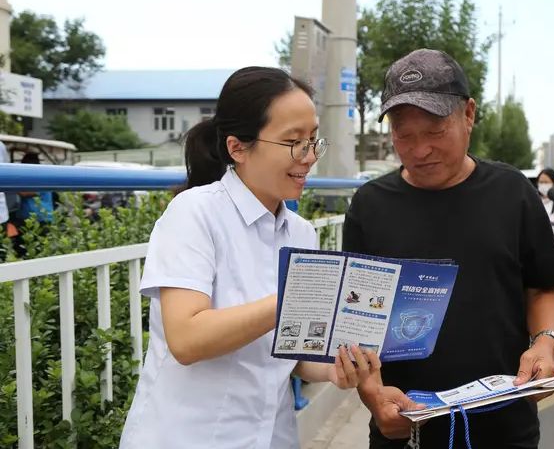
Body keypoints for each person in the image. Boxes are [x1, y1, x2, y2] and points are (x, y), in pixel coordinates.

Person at [119, 67, 379, 449]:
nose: (309, 157)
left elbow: (292, 349)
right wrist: (291, 299)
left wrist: (334, 370)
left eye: (312, 140)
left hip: (271, 438)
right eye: (293, 142)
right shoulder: (194, 214)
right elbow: (187, 339)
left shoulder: (301, 233)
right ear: (237, 148)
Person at [343, 49, 554, 448]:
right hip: (404, 431)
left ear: (468, 114)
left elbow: (543, 288)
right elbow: (356, 325)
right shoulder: (369, 207)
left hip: (505, 429)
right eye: (403, 134)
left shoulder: (512, 193)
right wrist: (373, 397)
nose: (419, 150)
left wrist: (545, 343)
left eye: (435, 131)